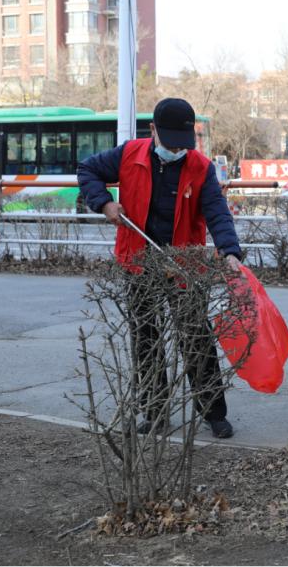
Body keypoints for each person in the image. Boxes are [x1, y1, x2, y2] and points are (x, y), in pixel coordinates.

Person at [77, 97, 242, 439]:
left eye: (184, 144)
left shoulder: (200, 167)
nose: (177, 151)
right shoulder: (127, 155)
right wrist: (104, 203)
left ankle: (214, 412)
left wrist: (230, 251)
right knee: (146, 340)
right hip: (139, 262)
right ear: (152, 131)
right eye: (170, 144)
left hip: (183, 266)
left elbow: (216, 211)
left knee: (196, 339)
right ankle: (154, 411)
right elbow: (87, 170)